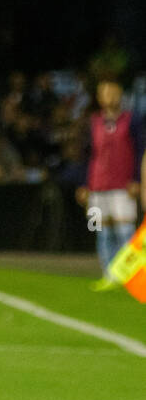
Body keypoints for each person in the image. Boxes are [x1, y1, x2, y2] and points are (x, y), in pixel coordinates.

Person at [77, 81, 143, 290]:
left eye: (113, 93)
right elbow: (86, 155)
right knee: (101, 231)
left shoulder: (132, 121)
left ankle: (130, 276)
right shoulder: (94, 122)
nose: (110, 97)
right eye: (105, 93)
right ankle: (109, 275)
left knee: (125, 231)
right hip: (97, 187)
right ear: (99, 97)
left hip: (122, 187)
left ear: (120, 94)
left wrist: (137, 180)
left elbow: (140, 151)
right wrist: (83, 184)